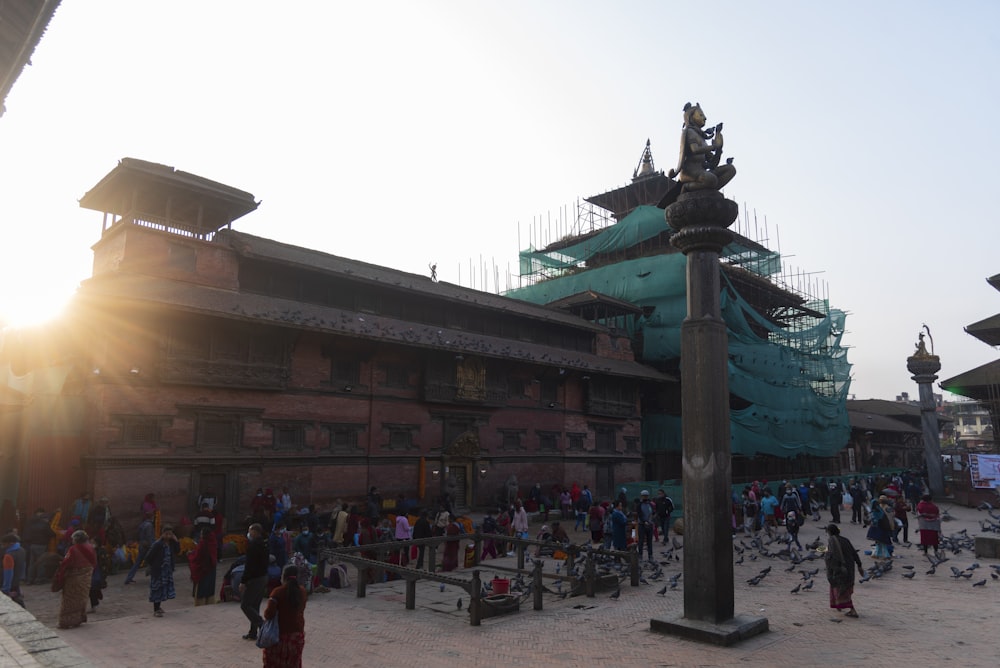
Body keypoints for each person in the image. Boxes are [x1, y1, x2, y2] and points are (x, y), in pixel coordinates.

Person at [665, 102, 736, 196]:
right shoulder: (689, 132)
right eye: (701, 115)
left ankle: (709, 191)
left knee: (730, 169)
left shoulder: (703, 138)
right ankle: (687, 187)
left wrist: (719, 150)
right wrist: (713, 147)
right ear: (691, 117)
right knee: (711, 179)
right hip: (689, 173)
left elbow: (712, 164)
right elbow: (695, 150)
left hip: (701, 172)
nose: (705, 118)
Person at [262, 564, 308, 668]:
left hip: (279, 636)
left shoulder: (277, 592)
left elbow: (268, 614)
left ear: (283, 576)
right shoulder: (303, 592)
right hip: (297, 636)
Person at [54, 530, 96, 628]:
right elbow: (94, 562)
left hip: (74, 577)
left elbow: (66, 562)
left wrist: (60, 572)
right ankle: (78, 618)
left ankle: (66, 621)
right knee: (81, 598)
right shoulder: (91, 547)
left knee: (70, 599)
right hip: (86, 576)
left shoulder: (73, 549)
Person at [824, 523, 864, 618]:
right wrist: (859, 565)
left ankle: (852, 610)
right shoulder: (845, 540)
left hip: (840, 570)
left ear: (829, 532)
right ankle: (839, 605)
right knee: (844, 589)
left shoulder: (832, 541)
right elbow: (854, 553)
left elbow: (831, 556)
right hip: (849, 568)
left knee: (842, 589)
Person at [241, 523, 270, 640]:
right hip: (263, 576)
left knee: (245, 605)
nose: (249, 533)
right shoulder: (265, 543)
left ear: (255, 532)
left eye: (250, 531)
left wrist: (243, 581)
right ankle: (253, 633)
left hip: (255, 579)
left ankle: (262, 625)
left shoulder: (253, 545)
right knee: (255, 605)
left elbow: (249, 566)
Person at [146, 525, 178, 618]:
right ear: (162, 534)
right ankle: (156, 610)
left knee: (162, 589)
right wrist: (154, 565)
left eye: (170, 534)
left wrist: (176, 541)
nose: (168, 536)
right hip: (158, 571)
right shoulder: (157, 544)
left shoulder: (171, 543)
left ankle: (159, 607)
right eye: (166, 534)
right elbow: (148, 557)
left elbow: (177, 551)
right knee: (157, 589)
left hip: (167, 571)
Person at [22, 508, 54, 585]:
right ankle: (39, 579)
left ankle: (30, 580)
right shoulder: (45, 525)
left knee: (31, 563)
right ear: (45, 519)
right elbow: (51, 534)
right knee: (41, 563)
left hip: (32, 545)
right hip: (41, 546)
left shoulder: (34, 524)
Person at [189, 525, 218, 606]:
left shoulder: (203, 543)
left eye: (201, 534)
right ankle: (210, 602)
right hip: (212, 568)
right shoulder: (213, 541)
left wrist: (190, 555)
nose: (200, 535)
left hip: (203, 569)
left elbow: (197, 556)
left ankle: (200, 604)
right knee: (210, 587)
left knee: (202, 588)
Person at [124, 513, 155, 585]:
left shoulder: (142, 525)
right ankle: (153, 577)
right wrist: (152, 546)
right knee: (153, 562)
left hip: (141, 545)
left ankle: (129, 578)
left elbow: (138, 535)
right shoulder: (149, 525)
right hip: (147, 546)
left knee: (137, 563)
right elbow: (149, 537)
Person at [866, 496, 894, 565]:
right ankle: (883, 555)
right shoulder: (880, 510)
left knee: (880, 542)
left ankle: (879, 554)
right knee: (882, 542)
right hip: (882, 528)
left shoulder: (875, 511)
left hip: (878, 528)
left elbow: (873, 520)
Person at [2, 533, 26, 607]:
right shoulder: (21, 550)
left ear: (10, 543)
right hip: (17, 581)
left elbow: (8, 573)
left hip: (10, 584)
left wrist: (5, 589)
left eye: (4, 544)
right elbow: (24, 566)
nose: (3, 546)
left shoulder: (9, 555)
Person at [88, 536, 111, 613]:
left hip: (98, 572)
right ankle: (94, 603)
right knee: (92, 589)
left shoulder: (101, 551)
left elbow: (105, 563)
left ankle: (95, 603)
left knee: (94, 587)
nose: (91, 544)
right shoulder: (90, 551)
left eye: (93, 542)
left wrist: (104, 574)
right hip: (92, 572)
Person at [636, 490, 655, 562]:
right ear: (641, 496)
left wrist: (651, 520)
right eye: (644, 496)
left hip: (649, 525)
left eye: (646, 496)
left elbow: (652, 513)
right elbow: (640, 514)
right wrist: (644, 521)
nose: (645, 497)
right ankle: (640, 555)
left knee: (649, 541)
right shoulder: (639, 505)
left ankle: (650, 555)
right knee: (641, 541)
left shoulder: (650, 504)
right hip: (642, 525)